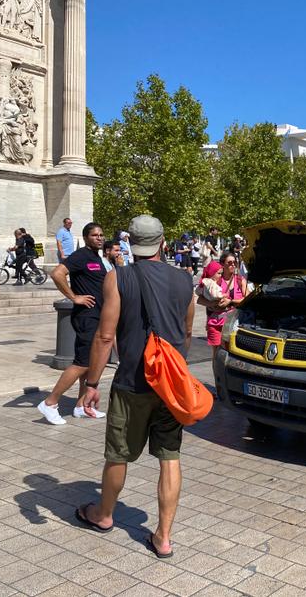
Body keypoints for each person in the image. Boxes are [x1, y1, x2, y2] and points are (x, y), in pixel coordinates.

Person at [74, 215, 195, 559]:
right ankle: (164, 537)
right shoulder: (186, 280)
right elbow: (186, 333)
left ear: (130, 244)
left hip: (131, 382)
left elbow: (105, 335)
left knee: (118, 454)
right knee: (169, 457)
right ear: (162, 242)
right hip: (171, 385)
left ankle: (103, 514)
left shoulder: (118, 277)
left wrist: (92, 383)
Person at [37, 223, 107, 424]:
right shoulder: (81, 255)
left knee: (90, 365)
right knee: (81, 364)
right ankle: (50, 403)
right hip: (86, 316)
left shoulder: (96, 258)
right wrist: (74, 297)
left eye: (101, 235)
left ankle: (81, 406)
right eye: (95, 235)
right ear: (86, 238)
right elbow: (57, 273)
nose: (100, 238)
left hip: (97, 316)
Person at [198, 251, 248, 359]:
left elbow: (247, 299)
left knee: (232, 353)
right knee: (216, 353)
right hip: (215, 322)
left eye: (235, 262)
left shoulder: (240, 280)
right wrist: (212, 303)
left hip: (233, 322)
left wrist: (231, 301)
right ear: (222, 264)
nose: (233, 265)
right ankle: (217, 374)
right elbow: (200, 299)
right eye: (230, 262)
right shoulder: (216, 280)